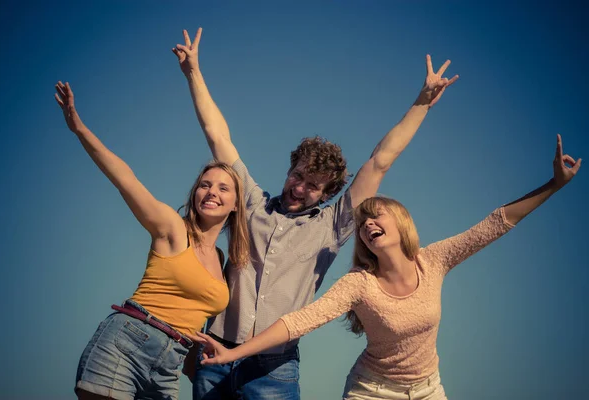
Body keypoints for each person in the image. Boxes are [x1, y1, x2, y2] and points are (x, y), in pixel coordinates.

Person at [172, 28, 458, 399]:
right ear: (290, 169)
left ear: (327, 194)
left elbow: (380, 161)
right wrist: (193, 72)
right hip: (215, 352)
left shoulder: (331, 225)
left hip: (275, 368)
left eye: (312, 185)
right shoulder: (252, 203)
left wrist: (422, 102)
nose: (299, 187)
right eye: (298, 175)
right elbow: (217, 135)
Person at [196, 134, 581, 399]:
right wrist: (232, 354)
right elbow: (303, 320)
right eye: (363, 224)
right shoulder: (359, 283)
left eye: (377, 216)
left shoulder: (434, 260)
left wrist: (554, 186)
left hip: (428, 388)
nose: (368, 224)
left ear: (402, 223)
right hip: (371, 390)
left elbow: (493, 225)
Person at [54, 81, 250, 399]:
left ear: (235, 205)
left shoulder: (221, 259)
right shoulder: (172, 229)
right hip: (127, 343)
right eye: (205, 184)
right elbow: (125, 179)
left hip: (167, 368)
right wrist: (79, 128)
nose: (211, 191)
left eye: (223, 188)